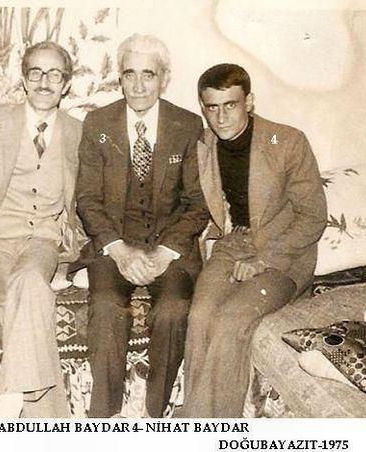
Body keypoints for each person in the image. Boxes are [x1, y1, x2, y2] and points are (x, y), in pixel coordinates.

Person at [75, 34, 210, 418]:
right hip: (115, 245)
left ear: (163, 78)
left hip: (169, 248)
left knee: (175, 309)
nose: (137, 85)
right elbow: (87, 199)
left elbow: (198, 202)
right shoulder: (98, 123)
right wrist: (120, 251)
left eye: (148, 75)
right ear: (119, 77)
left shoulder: (187, 125)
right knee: (105, 306)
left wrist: (165, 253)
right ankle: (103, 414)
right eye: (129, 74)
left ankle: (155, 410)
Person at [183, 63, 327, 417]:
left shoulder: (287, 141)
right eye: (211, 107)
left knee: (231, 319)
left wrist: (265, 260)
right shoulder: (203, 144)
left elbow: (313, 217)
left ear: (249, 102)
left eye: (230, 105)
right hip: (234, 243)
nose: (220, 117)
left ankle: (206, 425)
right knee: (200, 315)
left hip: (285, 254)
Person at [0, 41, 83, 417]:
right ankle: (46, 420)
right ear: (24, 79)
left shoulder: (78, 131)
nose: (44, 82)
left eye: (54, 74)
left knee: (29, 281)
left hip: (43, 238)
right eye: (35, 72)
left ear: (66, 84)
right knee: (31, 293)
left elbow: (90, 195)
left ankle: (11, 397)